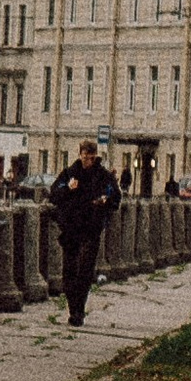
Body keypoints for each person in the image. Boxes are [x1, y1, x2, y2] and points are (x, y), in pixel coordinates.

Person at [50, 140, 122, 328]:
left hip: (91, 228)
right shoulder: (70, 174)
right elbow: (54, 194)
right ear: (80, 154)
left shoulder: (103, 176)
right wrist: (68, 188)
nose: (88, 160)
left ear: (95, 156)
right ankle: (73, 308)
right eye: (85, 156)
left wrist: (105, 200)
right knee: (69, 272)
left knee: (85, 270)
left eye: (91, 157)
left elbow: (116, 197)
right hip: (71, 228)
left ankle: (78, 312)